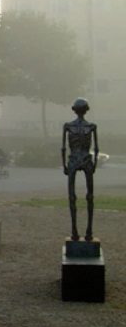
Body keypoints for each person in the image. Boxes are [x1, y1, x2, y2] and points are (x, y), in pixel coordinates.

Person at [62, 98, 99, 241]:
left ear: (74, 110)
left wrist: (65, 165)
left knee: (75, 196)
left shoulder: (69, 126)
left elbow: (64, 148)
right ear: (86, 110)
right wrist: (94, 165)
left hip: (75, 159)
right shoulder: (91, 127)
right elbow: (96, 148)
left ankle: (76, 232)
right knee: (88, 196)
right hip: (85, 158)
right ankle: (86, 232)